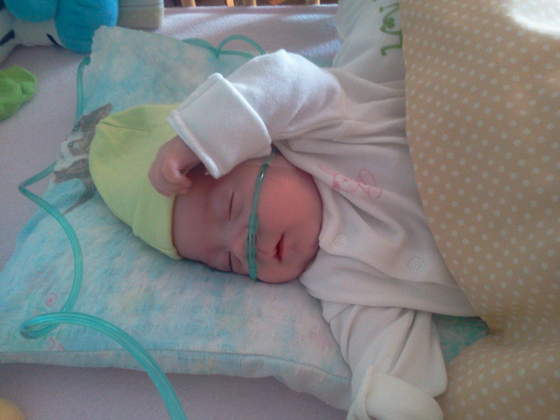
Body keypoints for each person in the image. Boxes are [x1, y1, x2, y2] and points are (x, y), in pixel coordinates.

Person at [90, 1, 476, 419]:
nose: (242, 243)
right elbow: (380, 331)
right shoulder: (332, 278)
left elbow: (285, 80)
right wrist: (389, 395)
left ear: (260, 145)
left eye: (231, 206)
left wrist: (197, 138)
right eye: (227, 261)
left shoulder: (325, 124)